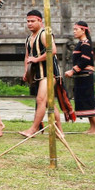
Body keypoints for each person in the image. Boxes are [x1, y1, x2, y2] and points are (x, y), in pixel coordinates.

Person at [18, 9, 61, 138]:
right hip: (38, 74)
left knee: (41, 99)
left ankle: (33, 129)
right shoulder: (28, 38)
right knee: (49, 103)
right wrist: (26, 71)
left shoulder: (44, 33)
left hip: (49, 73)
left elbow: (52, 50)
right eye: (28, 21)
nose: (29, 24)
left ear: (40, 21)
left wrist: (36, 59)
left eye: (32, 21)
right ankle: (60, 132)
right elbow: (27, 56)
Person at [64, 21, 95, 134]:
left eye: (76, 29)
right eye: (74, 29)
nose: (74, 32)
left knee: (88, 100)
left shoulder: (85, 43)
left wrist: (73, 70)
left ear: (83, 30)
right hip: (81, 76)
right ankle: (93, 127)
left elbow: (85, 60)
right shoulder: (81, 43)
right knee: (83, 100)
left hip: (86, 75)